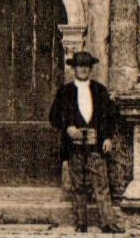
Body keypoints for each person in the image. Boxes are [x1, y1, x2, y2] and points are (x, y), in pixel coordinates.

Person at [48, 49, 122, 234]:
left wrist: (107, 137)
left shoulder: (100, 90)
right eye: (80, 66)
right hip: (74, 148)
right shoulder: (65, 92)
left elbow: (111, 116)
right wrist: (68, 128)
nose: (83, 69)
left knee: (101, 185)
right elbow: (54, 116)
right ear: (74, 69)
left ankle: (107, 223)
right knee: (78, 185)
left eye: (86, 66)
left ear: (90, 69)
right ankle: (82, 223)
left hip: (95, 146)